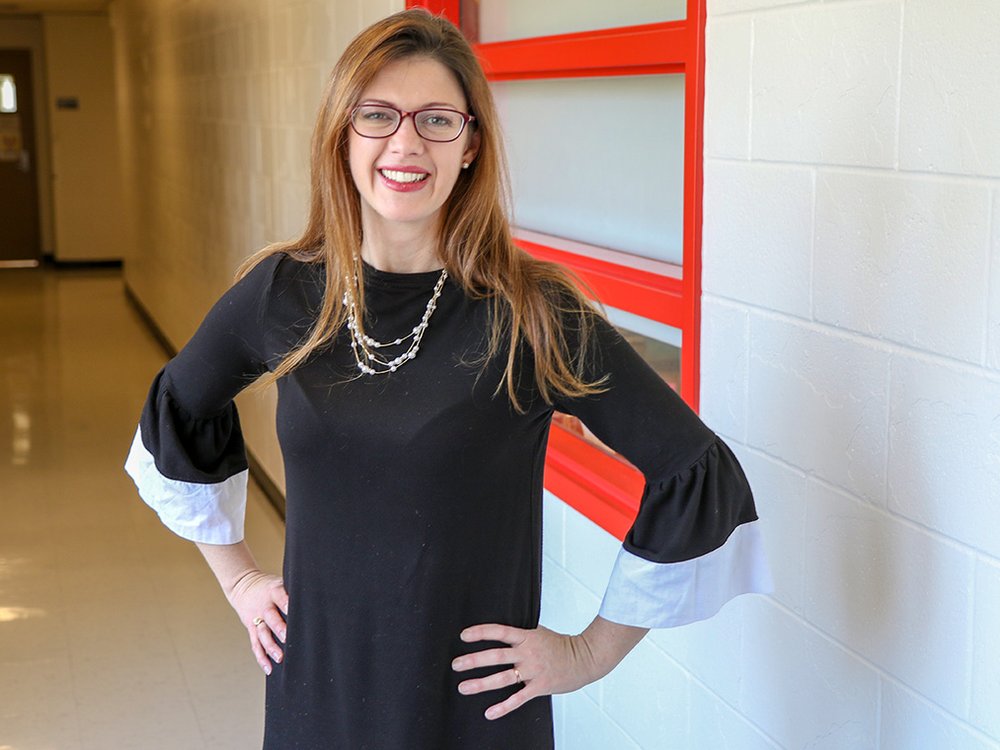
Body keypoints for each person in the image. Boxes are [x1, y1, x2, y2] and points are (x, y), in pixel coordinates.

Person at [125, 8, 771, 749]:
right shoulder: (285, 292)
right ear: (342, 135)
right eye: (377, 115)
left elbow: (696, 470)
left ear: (470, 146)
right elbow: (175, 410)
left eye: (436, 120)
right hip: (318, 692)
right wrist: (239, 580)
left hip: (471, 712)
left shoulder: (531, 312)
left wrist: (589, 651)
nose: (405, 143)